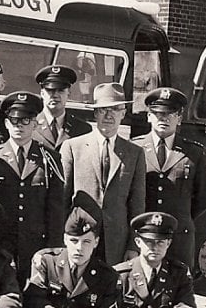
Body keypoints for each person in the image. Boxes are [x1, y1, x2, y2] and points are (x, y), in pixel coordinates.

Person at [0, 92, 65, 281]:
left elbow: (55, 208)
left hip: (36, 244)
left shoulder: (49, 159)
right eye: (14, 121)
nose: (19, 126)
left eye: (25, 121)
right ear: (6, 124)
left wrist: (53, 248)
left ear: (35, 123)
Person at [60, 82, 146, 265]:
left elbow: (137, 204)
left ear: (123, 113)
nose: (109, 115)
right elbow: (62, 199)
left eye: (115, 109)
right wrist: (65, 240)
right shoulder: (73, 147)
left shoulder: (134, 153)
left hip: (117, 243)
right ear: (95, 113)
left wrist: (133, 245)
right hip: (80, 239)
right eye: (103, 110)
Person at [132, 87, 206, 268]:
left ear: (179, 118)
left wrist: (180, 218)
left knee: (178, 289)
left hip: (179, 237)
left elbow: (204, 198)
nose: (164, 118)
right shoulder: (134, 149)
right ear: (149, 116)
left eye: (170, 113)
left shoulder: (195, 153)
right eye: (158, 113)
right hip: (144, 236)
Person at [32, 65, 91, 149]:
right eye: (50, 90)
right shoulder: (30, 126)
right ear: (42, 93)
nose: (55, 95)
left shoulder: (82, 129)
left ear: (69, 93)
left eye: (61, 90)